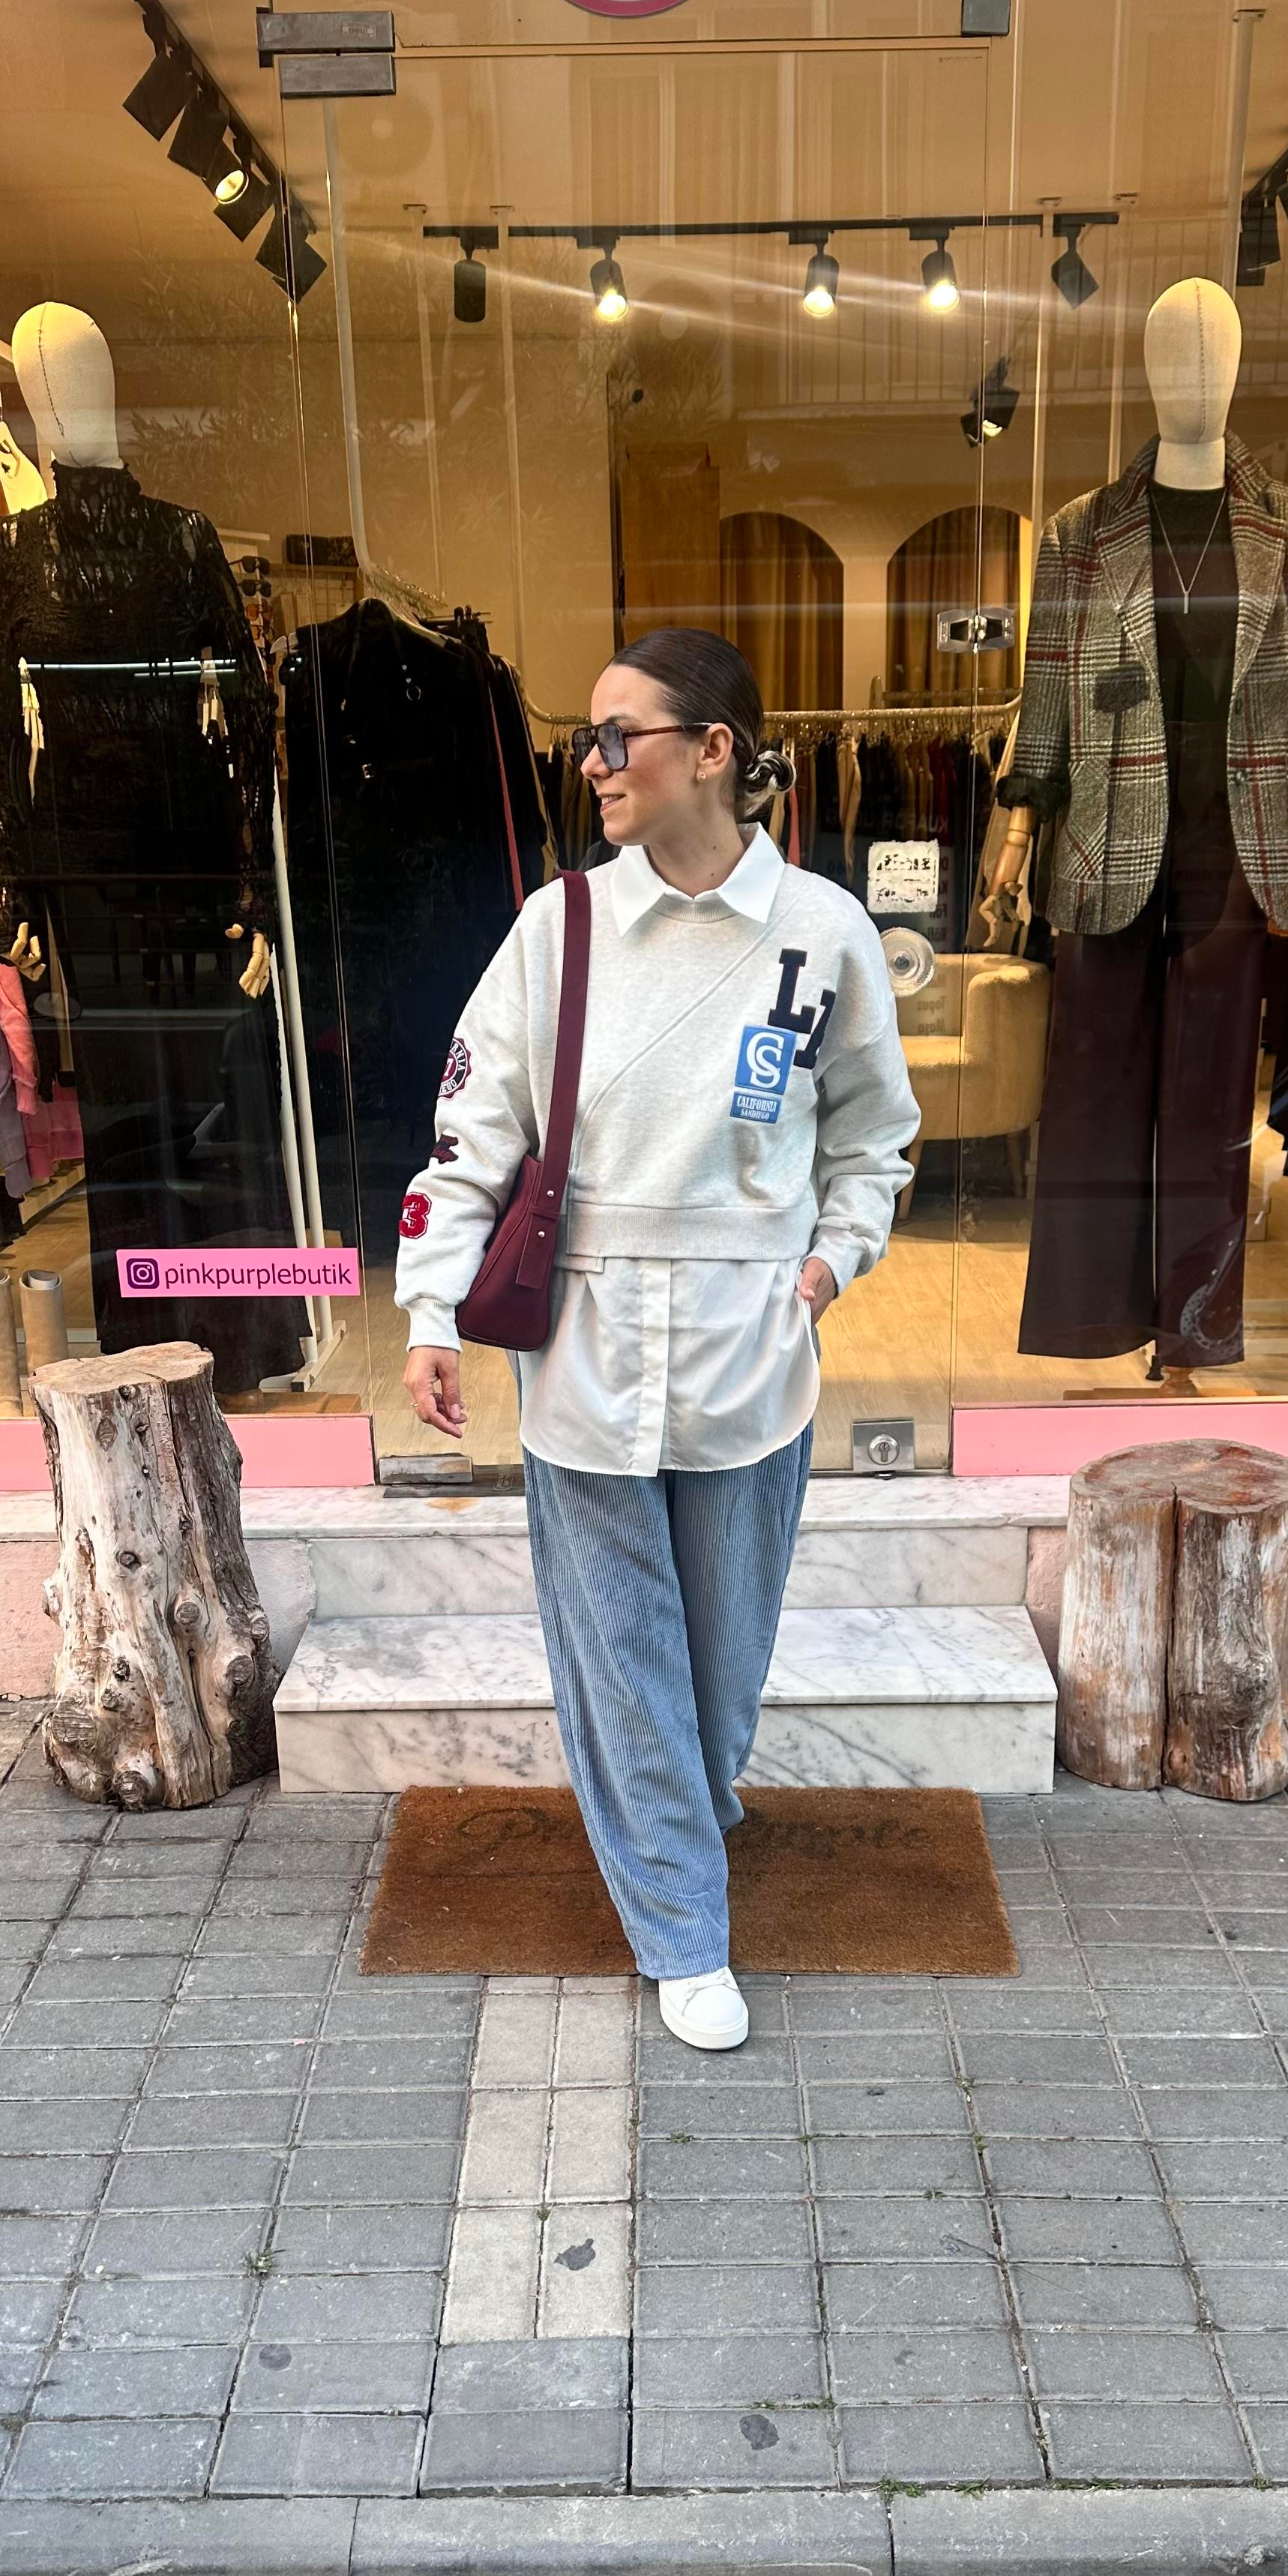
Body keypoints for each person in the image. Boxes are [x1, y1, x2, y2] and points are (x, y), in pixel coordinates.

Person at [399, 628, 918, 2050]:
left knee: (725, 1656)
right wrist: (433, 1307)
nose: (592, 762)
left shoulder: (823, 930)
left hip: (754, 1344)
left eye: (618, 735)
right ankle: (683, 1924)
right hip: (586, 1337)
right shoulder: (557, 928)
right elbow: (472, 1132)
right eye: (589, 737)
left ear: (715, 751)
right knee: (622, 1659)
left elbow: (876, 1137)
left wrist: (826, 1268)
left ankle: (682, 1809)